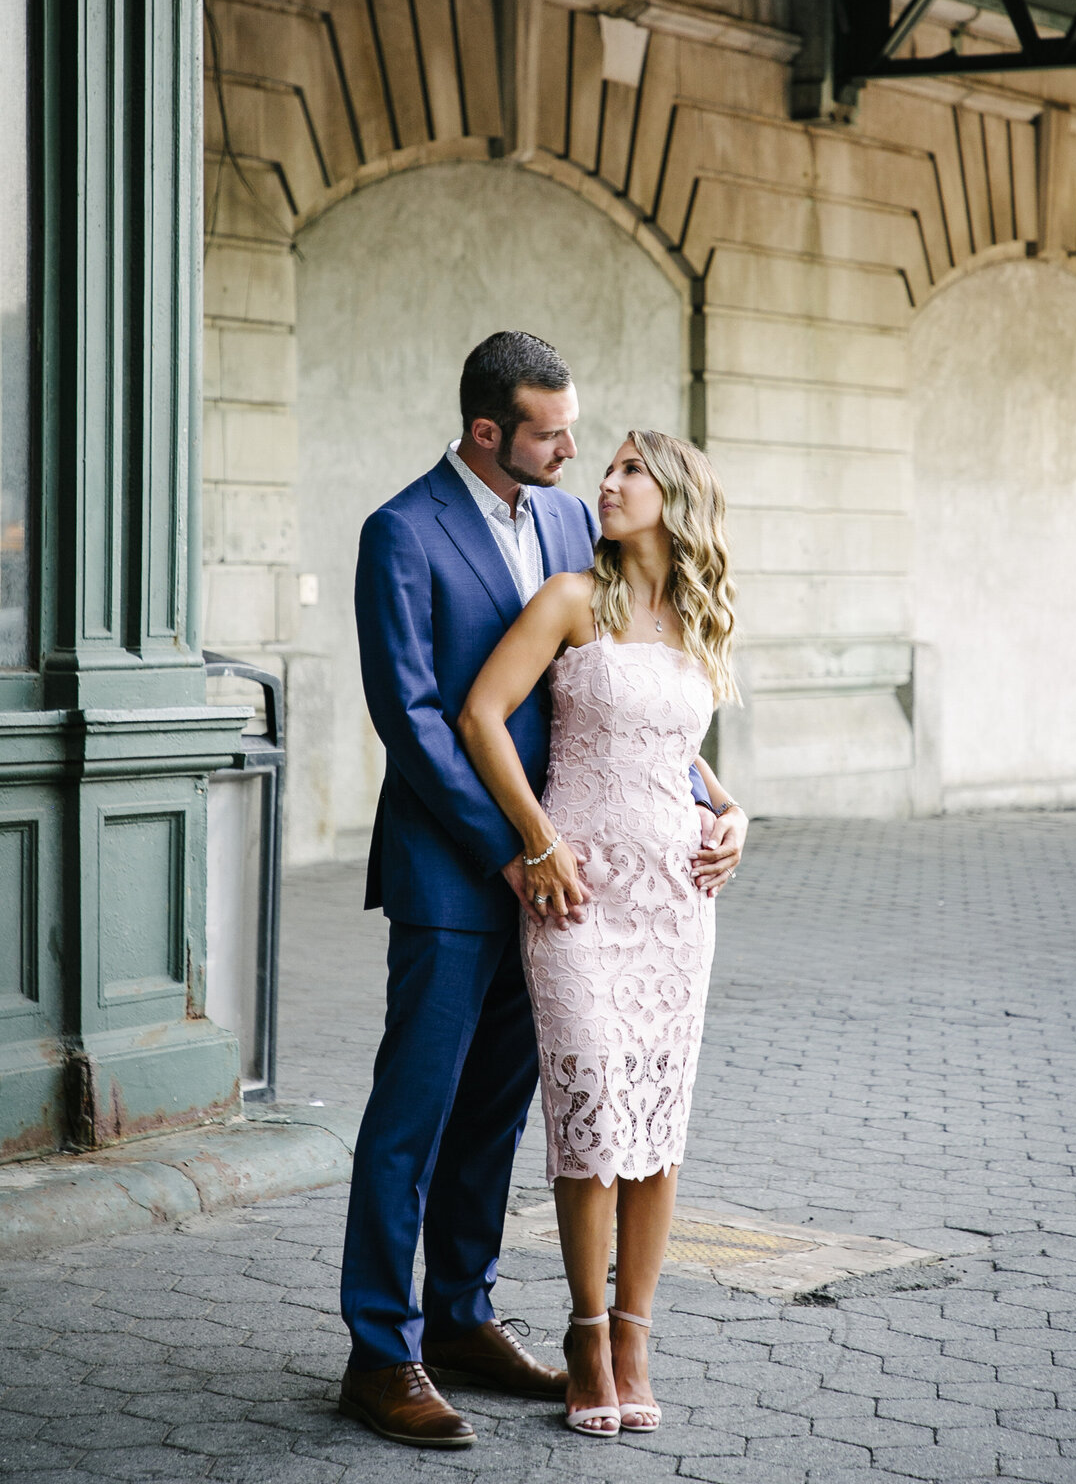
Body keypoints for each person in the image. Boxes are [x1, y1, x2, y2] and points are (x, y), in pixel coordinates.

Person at [338, 335, 730, 1450]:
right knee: (412, 1112)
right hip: (460, 871)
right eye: (553, 434)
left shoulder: (573, 524)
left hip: (579, 888)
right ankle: (381, 1350)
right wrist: (517, 848)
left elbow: (627, 701)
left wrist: (714, 805)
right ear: (486, 434)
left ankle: (462, 1316)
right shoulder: (401, 532)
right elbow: (413, 716)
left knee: (502, 1114)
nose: (576, 453)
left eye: (580, 432)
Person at [459, 429, 748, 1438]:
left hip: (676, 899)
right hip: (578, 898)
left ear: (674, 499)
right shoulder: (572, 600)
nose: (608, 484)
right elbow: (482, 716)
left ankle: (635, 1335)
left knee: (657, 1131)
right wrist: (537, 841)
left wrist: (735, 813)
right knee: (588, 1122)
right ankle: (585, 1334)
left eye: (630, 470)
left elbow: (678, 752)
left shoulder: (702, 617)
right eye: (610, 467)